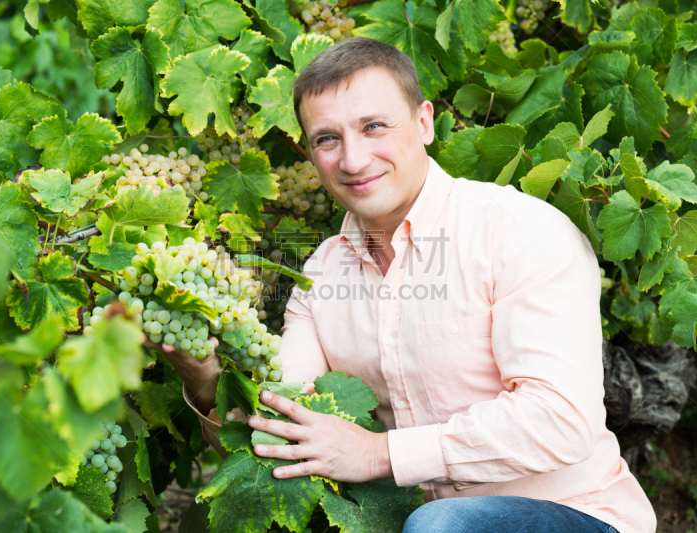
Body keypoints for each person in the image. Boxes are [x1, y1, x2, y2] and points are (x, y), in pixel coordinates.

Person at [165, 37, 657, 533]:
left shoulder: (518, 232)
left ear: (424, 122)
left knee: (440, 526)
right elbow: (284, 429)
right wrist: (203, 378)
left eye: (373, 127)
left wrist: (379, 453)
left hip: (579, 515)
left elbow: (560, 421)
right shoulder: (317, 276)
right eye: (327, 139)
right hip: (408, 523)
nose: (353, 160)